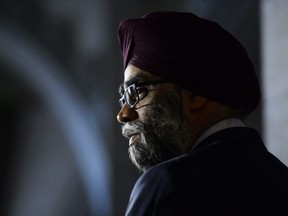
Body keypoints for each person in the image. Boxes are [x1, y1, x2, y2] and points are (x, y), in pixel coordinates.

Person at [116, 11, 288, 216]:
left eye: (136, 91)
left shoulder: (169, 184)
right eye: (124, 98)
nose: (123, 114)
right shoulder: (281, 181)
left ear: (196, 94)